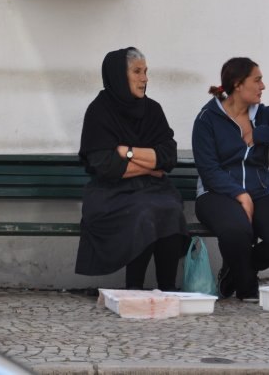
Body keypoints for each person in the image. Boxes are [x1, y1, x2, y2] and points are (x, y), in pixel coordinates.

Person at [192, 57, 269, 301]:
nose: (262, 86)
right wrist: (239, 194)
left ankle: (236, 271)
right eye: (257, 80)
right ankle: (246, 288)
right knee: (237, 230)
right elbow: (209, 170)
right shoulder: (207, 119)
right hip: (215, 194)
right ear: (237, 84)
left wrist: (260, 134)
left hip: (261, 190)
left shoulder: (263, 115)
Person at [75, 47, 187, 290]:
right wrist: (151, 164)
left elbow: (168, 157)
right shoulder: (99, 112)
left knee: (169, 209)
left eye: (145, 71)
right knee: (144, 211)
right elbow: (106, 167)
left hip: (155, 188)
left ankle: (167, 288)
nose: (144, 78)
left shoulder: (153, 110)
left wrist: (127, 152)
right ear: (118, 75)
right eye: (137, 71)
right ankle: (133, 288)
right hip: (110, 193)